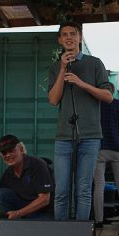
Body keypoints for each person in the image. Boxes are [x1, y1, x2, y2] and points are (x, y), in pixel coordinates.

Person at [47, 21, 113, 221]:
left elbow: (109, 97)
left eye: (73, 34)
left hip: (90, 135)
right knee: (61, 191)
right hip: (64, 136)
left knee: (83, 190)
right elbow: (53, 100)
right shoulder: (55, 67)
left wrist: (82, 84)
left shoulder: (95, 63)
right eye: (64, 34)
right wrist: (62, 69)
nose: (68, 37)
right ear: (60, 40)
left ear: (79, 37)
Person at [0, 135, 54, 222]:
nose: (8, 155)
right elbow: (1, 198)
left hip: (42, 212)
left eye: (11, 150)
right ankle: (12, 225)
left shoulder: (38, 165)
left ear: (21, 149)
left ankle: (18, 223)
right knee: (1, 194)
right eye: (4, 152)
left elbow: (45, 199)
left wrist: (17, 214)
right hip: (22, 212)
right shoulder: (7, 174)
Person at [92, 92, 119, 228]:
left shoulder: (95, 104)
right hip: (116, 147)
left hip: (99, 148)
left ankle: (99, 220)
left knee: (99, 185)